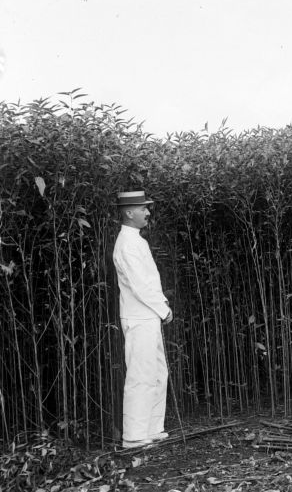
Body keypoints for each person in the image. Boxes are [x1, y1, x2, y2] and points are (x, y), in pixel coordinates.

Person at [113, 190, 173, 449]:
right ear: (129, 212)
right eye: (143, 209)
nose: (148, 213)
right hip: (139, 317)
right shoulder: (126, 244)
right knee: (140, 375)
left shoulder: (136, 241)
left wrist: (160, 308)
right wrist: (163, 308)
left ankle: (152, 428)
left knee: (159, 372)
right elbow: (139, 285)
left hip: (148, 316)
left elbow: (148, 280)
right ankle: (134, 436)